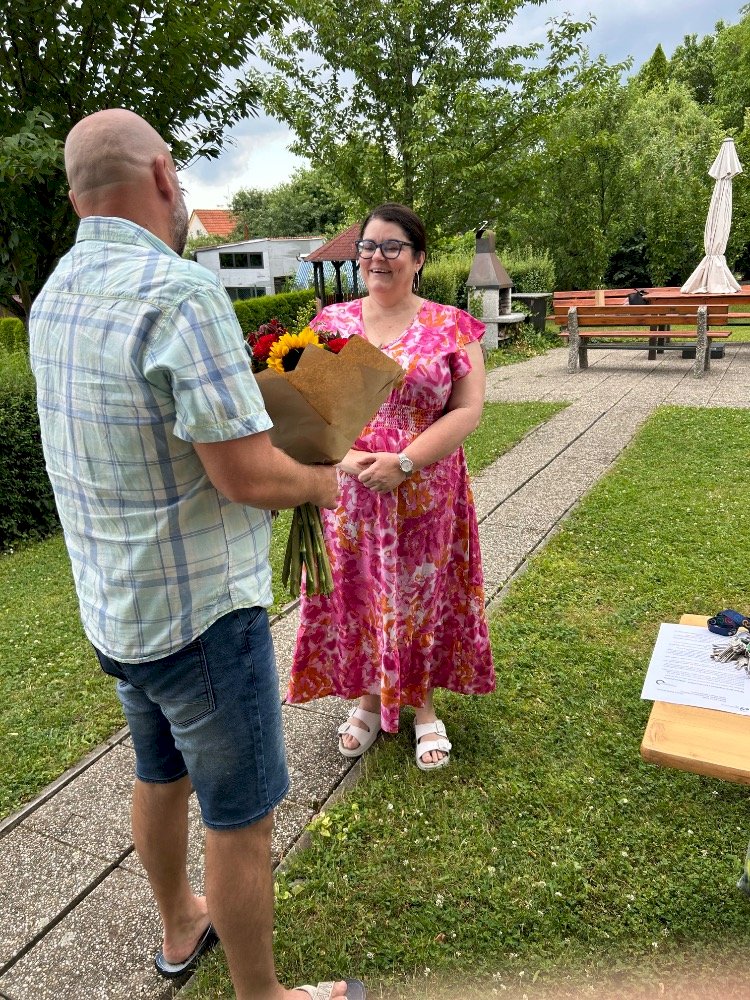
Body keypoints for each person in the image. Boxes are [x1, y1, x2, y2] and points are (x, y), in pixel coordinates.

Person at [28, 108, 364, 1000]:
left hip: (116, 613)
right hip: (201, 617)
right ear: (164, 176)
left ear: (77, 195)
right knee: (241, 818)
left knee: (159, 772)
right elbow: (247, 474)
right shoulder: (180, 293)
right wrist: (324, 481)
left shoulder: (54, 293)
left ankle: (181, 924)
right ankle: (264, 996)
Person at [286, 202, 495, 770]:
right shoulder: (332, 325)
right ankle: (368, 700)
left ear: (419, 258)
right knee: (359, 593)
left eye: (392, 247)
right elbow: (309, 412)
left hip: (426, 492)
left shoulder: (451, 326)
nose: (377, 257)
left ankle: (423, 707)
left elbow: (468, 408)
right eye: (368, 246)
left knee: (422, 597)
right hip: (352, 495)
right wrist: (351, 460)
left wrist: (403, 462)